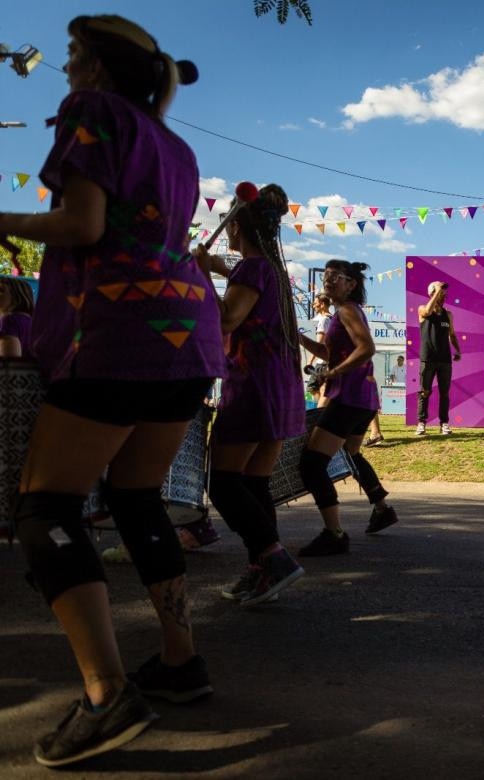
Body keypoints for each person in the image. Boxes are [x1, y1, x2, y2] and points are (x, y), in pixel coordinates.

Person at [0, 15, 222, 765]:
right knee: (135, 496)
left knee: (45, 505)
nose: (64, 70)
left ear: (97, 65)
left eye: (71, 56)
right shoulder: (177, 143)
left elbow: (82, 222)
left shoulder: (93, 111)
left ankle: (106, 693)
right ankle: (180, 658)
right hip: (189, 335)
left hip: (120, 330)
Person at [194, 184, 305, 607]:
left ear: (236, 225)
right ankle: (263, 570)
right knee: (254, 485)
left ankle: (274, 558)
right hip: (278, 384)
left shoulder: (251, 271)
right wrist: (222, 269)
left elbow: (226, 319)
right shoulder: (272, 272)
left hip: (251, 384)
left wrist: (203, 272)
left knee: (221, 484)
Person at [297, 259, 398, 556]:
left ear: (351, 284)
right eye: (325, 276)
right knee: (351, 454)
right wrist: (297, 337)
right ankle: (382, 507)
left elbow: (367, 348)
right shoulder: (344, 313)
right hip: (362, 399)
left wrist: (334, 373)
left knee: (312, 464)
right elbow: (328, 352)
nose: (327, 281)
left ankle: (334, 533)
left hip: (349, 398)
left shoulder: (347, 310)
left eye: (335, 277)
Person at [416, 280, 461, 435]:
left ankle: (444, 424)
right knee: (425, 391)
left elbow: (453, 335)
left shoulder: (448, 315)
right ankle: (421, 423)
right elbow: (427, 311)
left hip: (445, 360)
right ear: (432, 293)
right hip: (427, 358)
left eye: (444, 293)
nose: (444, 295)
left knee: (444, 393)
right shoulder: (423, 309)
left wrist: (458, 351)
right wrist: (436, 292)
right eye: (441, 292)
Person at [305, 293, 331, 405]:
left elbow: (318, 344)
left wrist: (310, 361)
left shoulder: (323, 320)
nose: (313, 306)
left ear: (322, 304)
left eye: (315, 304)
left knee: (311, 387)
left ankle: (321, 409)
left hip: (322, 362)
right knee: (323, 388)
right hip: (329, 361)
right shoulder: (332, 318)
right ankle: (324, 410)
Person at [0, 276, 35, 357]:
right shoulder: (31, 320)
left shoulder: (10, 320)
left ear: (16, 296)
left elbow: (10, 361)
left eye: (1, 290)